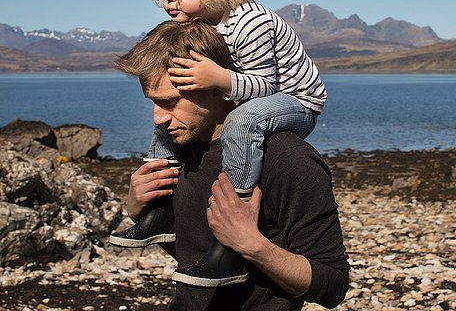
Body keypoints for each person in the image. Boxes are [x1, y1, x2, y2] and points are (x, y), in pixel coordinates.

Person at [109, 0, 327, 288]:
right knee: (164, 126)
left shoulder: (250, 22)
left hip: (294, 100)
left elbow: (266, 86)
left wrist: (220, 79)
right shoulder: (205, 26)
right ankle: (159, 213)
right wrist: (139, 204)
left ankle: (238, 208)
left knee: (243, 120)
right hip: (254, 96)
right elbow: (188, 253)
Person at [113, 20, 349, 310]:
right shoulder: (181, 149)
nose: (157, 118)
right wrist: (143, 212)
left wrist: (253, 246)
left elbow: (333, 285)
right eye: (153, 102)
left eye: (170, 102)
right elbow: (194, 254)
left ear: (216, 87)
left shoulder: (288, 159)